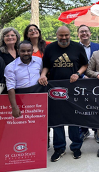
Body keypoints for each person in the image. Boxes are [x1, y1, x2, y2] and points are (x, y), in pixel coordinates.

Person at [38, 26, 88, 162]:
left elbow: (85, 65)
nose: (64, 38)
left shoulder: (78, 47)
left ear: (70, 35)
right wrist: (43, 75)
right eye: (61, 35)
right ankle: (59, 148)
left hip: (73, 88)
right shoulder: (50, 48)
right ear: (56, 35)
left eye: (66, 35)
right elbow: (46, 66)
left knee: (73, 119)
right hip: (55, 89)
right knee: (57, 120)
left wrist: (78, 74)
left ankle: (76, 147)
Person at [77, 24, 99, 142]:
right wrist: (81, 76)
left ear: (90, 33)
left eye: (86, 31)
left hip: (96, 81)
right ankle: (83, 130)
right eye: (81, 31)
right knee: (82, 107)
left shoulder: (98, 46)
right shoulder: (74, 47)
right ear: (78, 34)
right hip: (80, 82)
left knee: (96, 106)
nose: (84, 33)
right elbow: (73, 65)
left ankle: (97, 131)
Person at [4, 41, 42, 118]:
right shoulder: (10, 67)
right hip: (20, 100)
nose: (26, 53)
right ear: (18, 51)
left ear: (32, 50)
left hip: (38, 98)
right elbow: (10, 87)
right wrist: (14, 107)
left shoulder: (39, 61)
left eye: (28, 51)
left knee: (40, 126)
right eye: (23, 51)